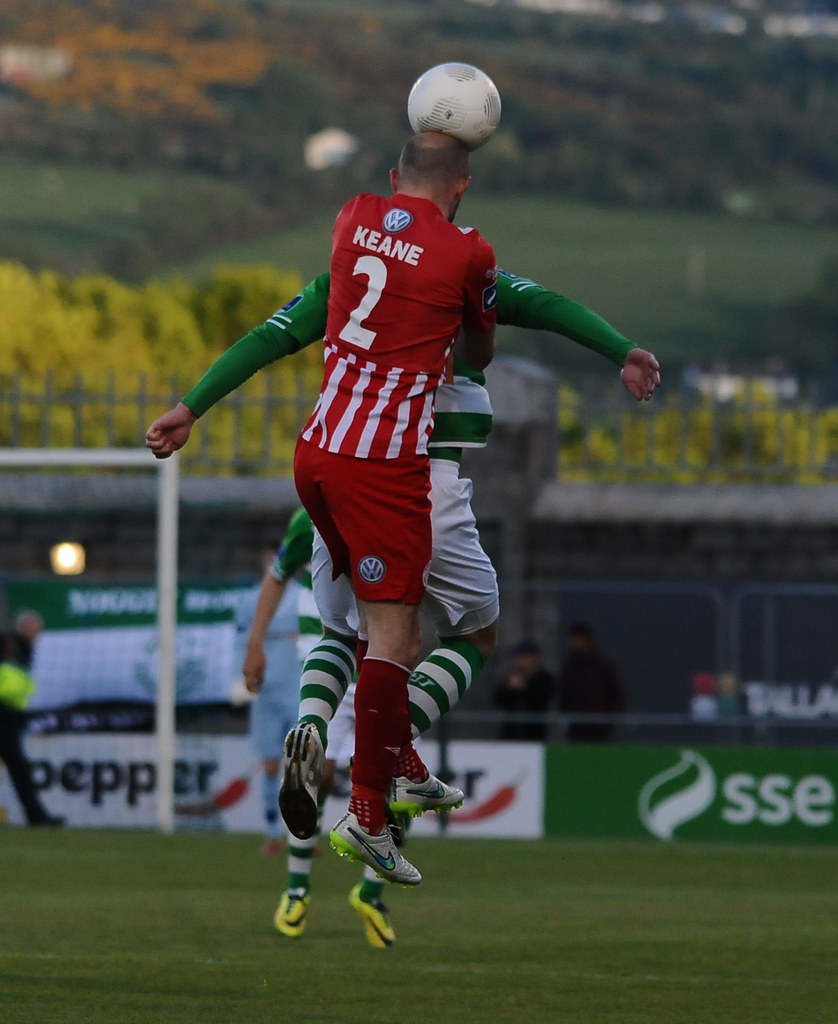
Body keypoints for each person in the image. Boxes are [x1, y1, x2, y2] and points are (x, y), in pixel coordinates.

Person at [232, 546, 302, 855]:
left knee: (302, 762)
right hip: (265, 687)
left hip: (299, 684)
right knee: (271, 763)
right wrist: (239, 678)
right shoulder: (250, 599)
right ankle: (272, 832)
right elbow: (240, 640)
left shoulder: (305, 596)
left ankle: (302, 833)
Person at [0, 610, 64, 826]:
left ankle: (36, 816)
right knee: (20, 769)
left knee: (20, 769)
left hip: (11, 717)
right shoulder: (8, 644)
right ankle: (36, 816)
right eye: (34, 629)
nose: (37, 635)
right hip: (3, 714)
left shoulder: (24, 650)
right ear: (24, 627)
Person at [558, 622, 626, 742]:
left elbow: (617, 694)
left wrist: (608, 719)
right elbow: (564, 694)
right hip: (576, 727)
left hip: (599, 728)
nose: (574, 644)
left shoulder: (604, 666)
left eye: (577, 640)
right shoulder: (569, 667)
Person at [494, 639, 555, 741]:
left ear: (534, 658)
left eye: (525, 657)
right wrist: (510, 689)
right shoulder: (512, 676)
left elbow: (542, 701)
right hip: (511, 734)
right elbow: (497, 699)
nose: (521, 661)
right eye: (519, 657)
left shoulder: (545, 679)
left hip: (535, 735)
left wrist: (525, 688)